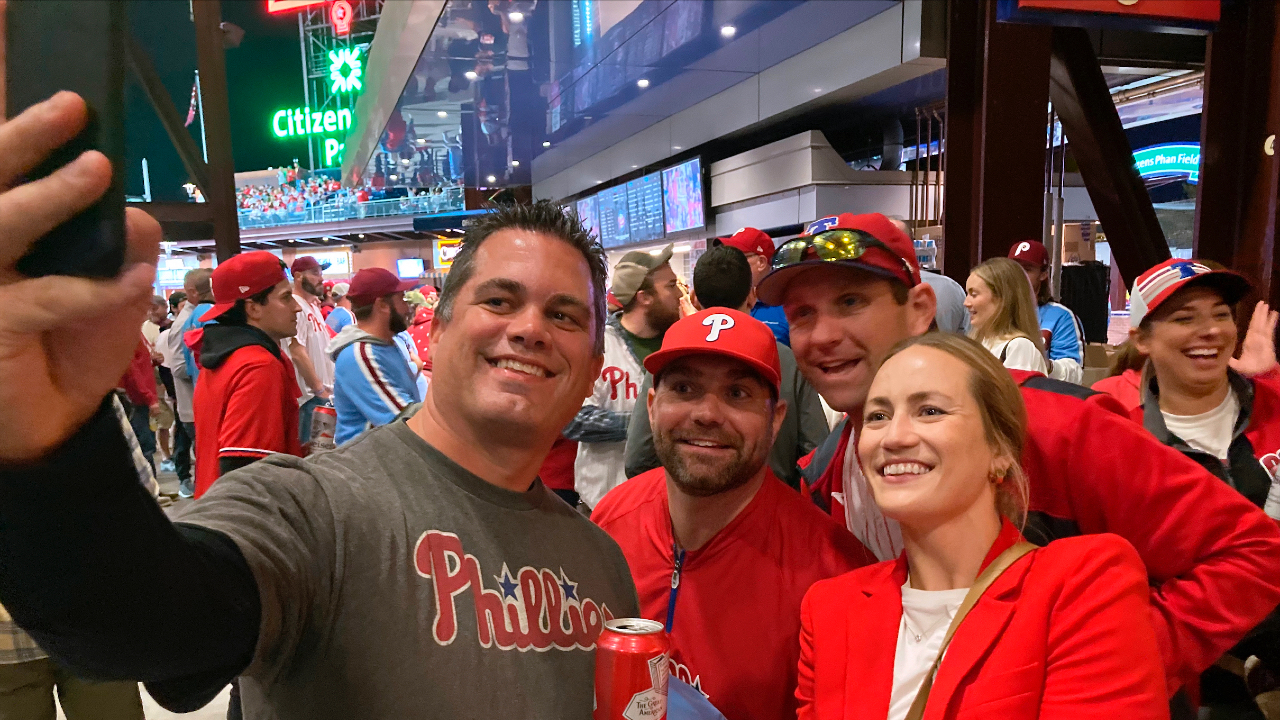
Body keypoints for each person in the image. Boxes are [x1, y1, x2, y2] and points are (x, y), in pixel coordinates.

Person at [0, 96, 635, 718]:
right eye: (499, 301)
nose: (530, 329)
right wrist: (49, 448)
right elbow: (139, 618)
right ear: (435, 333)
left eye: (563, 314)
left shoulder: (602, 564)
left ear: (591, 367)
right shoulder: (314, 512)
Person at [755, 211, 1280, 705]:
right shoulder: (826, 473)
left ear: (918, 309)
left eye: (851, 302)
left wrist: (1117, 659)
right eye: (803, 314)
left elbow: (1251, 550)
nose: (823, 335)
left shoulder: (1054, 424)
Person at [797, 332, 1167, 720]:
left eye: (930, 411)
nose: (894, 436)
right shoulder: (829, 610)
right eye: (878, 416)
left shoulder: (1082, 583)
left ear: (1000, 451)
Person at [594, 308, 872, 720]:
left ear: (775, 419)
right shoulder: (611, 518)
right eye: (685, 388)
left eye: (737, 394)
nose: (706, 414)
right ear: (652, 407)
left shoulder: (835, 573)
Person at [1121, 259, 1280, 717]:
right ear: (1143, 340)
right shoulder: (1128, 445)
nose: (1209, 330)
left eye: (1221, 314)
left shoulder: (1275, 408)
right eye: (1185, 317)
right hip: (1198, 679)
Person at [624, 244, 829, 488]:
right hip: (772, 510)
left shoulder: (670, 357)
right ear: (751, 296)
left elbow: (637, 459)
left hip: (681, 515)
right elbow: (817, 459)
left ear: (694, 298)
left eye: (736, 393)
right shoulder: (788, 361)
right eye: (684, 389)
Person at [565, 243, 682, 510]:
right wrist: (644, 425)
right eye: (671, 285)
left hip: (663, 505)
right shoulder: (598, 345)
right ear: (644, 297)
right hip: (602, 505)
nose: (679, 293)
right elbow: (572, 418)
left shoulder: (678, 346)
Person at [191, 252, 304, 498]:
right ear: (253, 308)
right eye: (286, 298)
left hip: (213, 508)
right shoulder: (258, 365)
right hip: (243, 522)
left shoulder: (227, 356)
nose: (297, 307)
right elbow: (247, 471)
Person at [328, 268, 422, 445]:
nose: (407, 307)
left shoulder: (385, 344)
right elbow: (402, 419)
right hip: (366, 466)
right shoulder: (361, 355)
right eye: (401, 299)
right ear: (382, 305)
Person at [1009, 239, 1086, 383]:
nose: (1018, 275)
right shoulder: (992, 311)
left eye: (1027, 269)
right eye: (1014, 268)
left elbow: (1075, 375)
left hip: (1039, 398)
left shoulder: (1060, 316)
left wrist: (1043, 363)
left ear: (1043, 274)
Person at [964, 257, 1049, 374]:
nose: (966, 303)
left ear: (1002, 299)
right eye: (967, 294)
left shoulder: (1019, 348)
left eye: (974, 294)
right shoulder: (978, 342)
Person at [287, 255, 336, 445]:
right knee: (312, 457)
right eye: (315, 273)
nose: (321, 278)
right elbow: (296, 351)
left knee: (324, 455)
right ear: (298, 276)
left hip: (322, 394)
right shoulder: (295, 306)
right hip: (310, 397)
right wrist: (318, 388)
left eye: (321, 272)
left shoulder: (313, 306)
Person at [716, 227, 789, 345]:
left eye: (737, 258)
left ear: (761, 262)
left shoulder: (786, 305)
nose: (728, 264)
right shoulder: (726, 302)